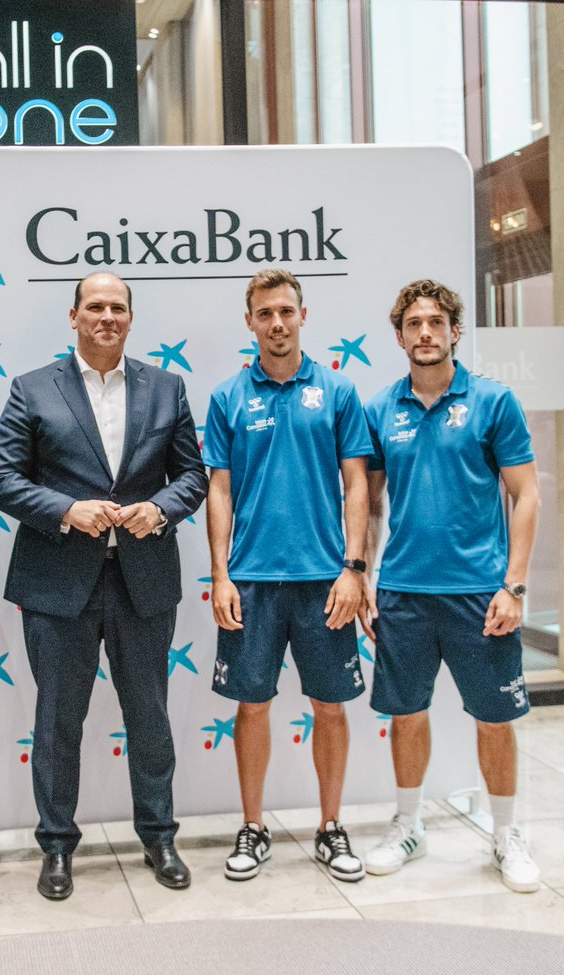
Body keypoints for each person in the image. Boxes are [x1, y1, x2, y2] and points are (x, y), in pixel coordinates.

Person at [0, 271, 207, 900]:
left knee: (151, 716)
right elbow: (0, 479)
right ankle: (56, 846)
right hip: (57, 581)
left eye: (117, 307)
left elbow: (192, 475)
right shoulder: (32, 389)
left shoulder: (167, 388)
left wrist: (160, 508)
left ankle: (159, 836)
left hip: (143, 578)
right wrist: (65, 509)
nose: (106, 316)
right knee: (58, 721)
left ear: (130, 319)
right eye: (95, 306)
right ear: (74, 315)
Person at [362, 280, 541, 892]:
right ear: (400, 336)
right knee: (406, 715)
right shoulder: (380, 409)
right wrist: (360, 574)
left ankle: (506, 833)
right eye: (413, 324)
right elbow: (370, 502)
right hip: (404, 593)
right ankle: (408, 826)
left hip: (480, 595)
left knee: (494, 719)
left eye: (435, 322)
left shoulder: (494, 402)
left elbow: (525, 494)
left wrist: (513, 586)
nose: (425, 334)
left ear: (455, 331)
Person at [203, 268, 372, 884]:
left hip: (325, 580)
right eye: (264, 313)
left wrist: (354, 568)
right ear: (249, 322)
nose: (276, 323)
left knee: (330, 709)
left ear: (304, 315)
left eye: (286, 312)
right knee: (252, 708)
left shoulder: (337, 391)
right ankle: (253, 826)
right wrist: (220, 575)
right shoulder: (227, 398)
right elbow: (217, 490)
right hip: (249, 581)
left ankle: (331, 826)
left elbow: (357, 482)